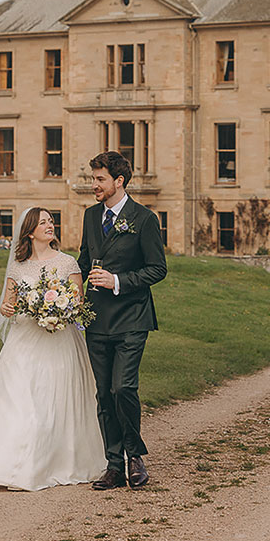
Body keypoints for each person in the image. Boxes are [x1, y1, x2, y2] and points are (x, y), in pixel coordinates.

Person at [0, 207, 106, 491]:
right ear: (29, 232)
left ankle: (44, 462)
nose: (50, 226)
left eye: (51, 221)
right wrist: (6, 307)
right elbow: (8, 305)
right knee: (13, 399)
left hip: (58, 341)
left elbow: (79, 304)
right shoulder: (18, 265)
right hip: (23, 341)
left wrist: (59, 310)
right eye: (43, 223)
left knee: (51, 402)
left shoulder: (68, 264)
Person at [78, 151, 167, 490]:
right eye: (93, 179)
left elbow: (157, 269)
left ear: (119, 181)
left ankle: (135, 456)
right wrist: (58, 290)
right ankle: (113, 465)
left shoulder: (143, 219)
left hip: (132, 319)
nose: (94, 185)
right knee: (103, 394)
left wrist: (117, 281)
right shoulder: (89, 217)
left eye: (99, 179)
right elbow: (84, 261)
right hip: (96, 319)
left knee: (123, 388)